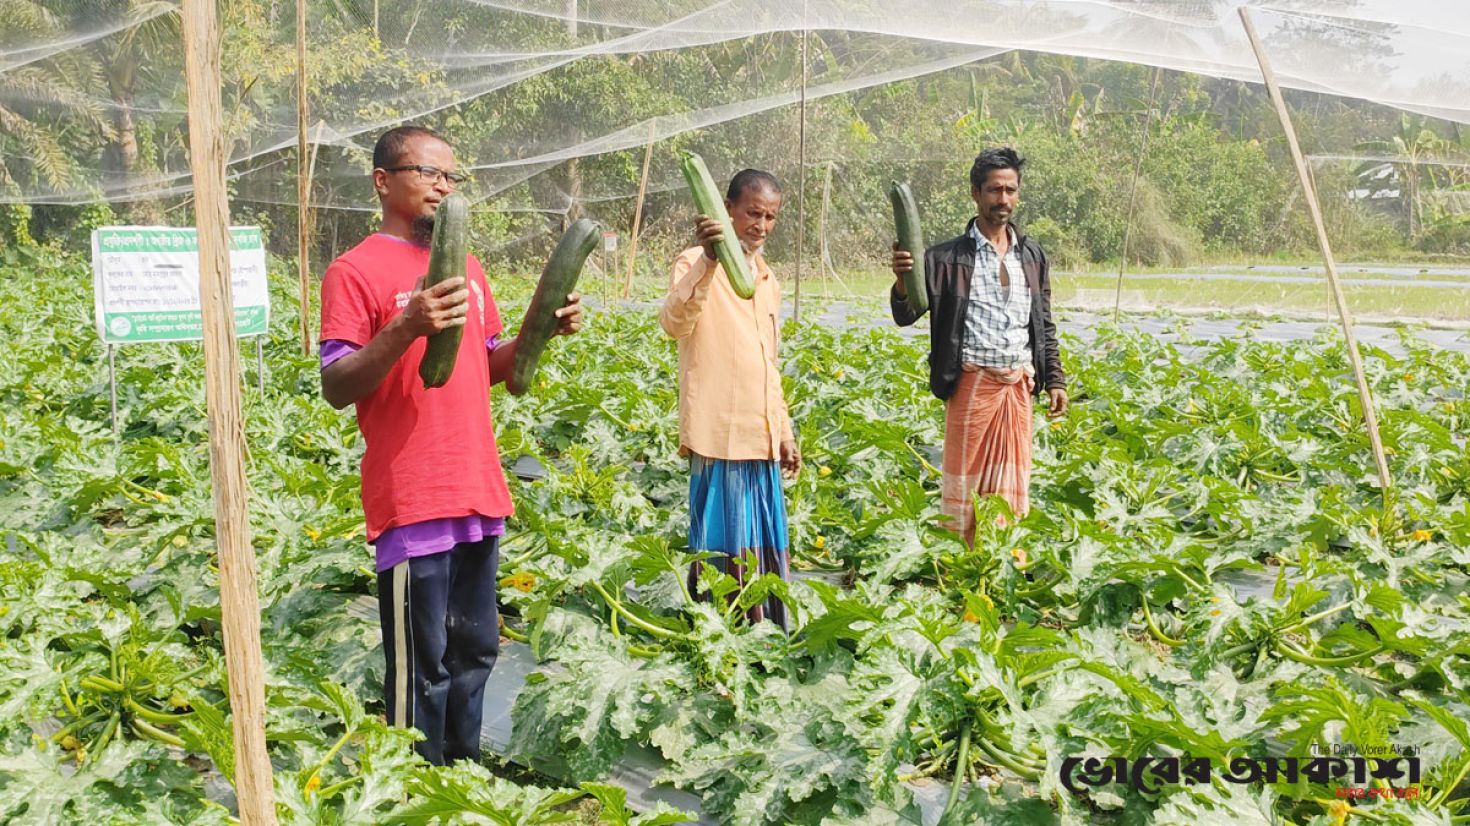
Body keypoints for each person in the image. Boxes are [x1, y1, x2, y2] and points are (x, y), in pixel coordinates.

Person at [318, 124, 582, 764]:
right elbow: (335, 383)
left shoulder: (466, 267)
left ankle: (462, 777)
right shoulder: (353, 271)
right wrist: (407, 325)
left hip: (477, 488)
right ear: (384, 181)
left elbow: (493, 366)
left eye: (451, 176)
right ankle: (413, 785)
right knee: (421, 666)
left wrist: (543, 330)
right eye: (428, 172)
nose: (443, 185)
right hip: (412, 496)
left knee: (476, 652)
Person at [890, 147, 1067, 546]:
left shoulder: (1032, 256)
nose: (1002, 199)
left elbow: (1043, 324)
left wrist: (1055, 379)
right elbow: (907, 312)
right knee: (965, 490)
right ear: (975, 193)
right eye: (993, 190)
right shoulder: (944, 259)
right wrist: (903, 281)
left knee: (1011, 488)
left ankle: (1003, 562)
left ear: (1017, 194)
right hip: (971, 387)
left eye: (1010, 190)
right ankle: (961, 569)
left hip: (1017, 389)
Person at [659, 168, 800, 630]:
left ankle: (764, 632)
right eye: (752, 213)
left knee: (761, 542)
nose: (760, 226)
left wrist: (784, 429)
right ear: (727, 210)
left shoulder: (767, 278)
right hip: (719, 434)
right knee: (721, 542)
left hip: (759, 438)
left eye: (770, 217)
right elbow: (674, 322)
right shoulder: (693, 263)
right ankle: (720, 632)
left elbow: (767, 363)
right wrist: (710, 260)